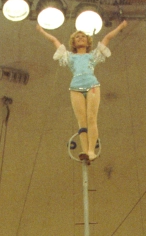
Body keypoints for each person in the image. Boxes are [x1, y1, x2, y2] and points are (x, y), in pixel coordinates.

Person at [36, 21, 128, 162]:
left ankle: (91, 150)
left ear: (87, 41)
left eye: (83, 36)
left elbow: (107, 38)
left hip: (92, 85)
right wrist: (42, 31)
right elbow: (54, 40)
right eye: (77, 37)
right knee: (81, 121)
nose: (80, 38)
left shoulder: (93, 55)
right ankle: (85, 151)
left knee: (91, 118)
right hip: (75, 87)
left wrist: (120, 27)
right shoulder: (69, 56)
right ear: (73, 42)